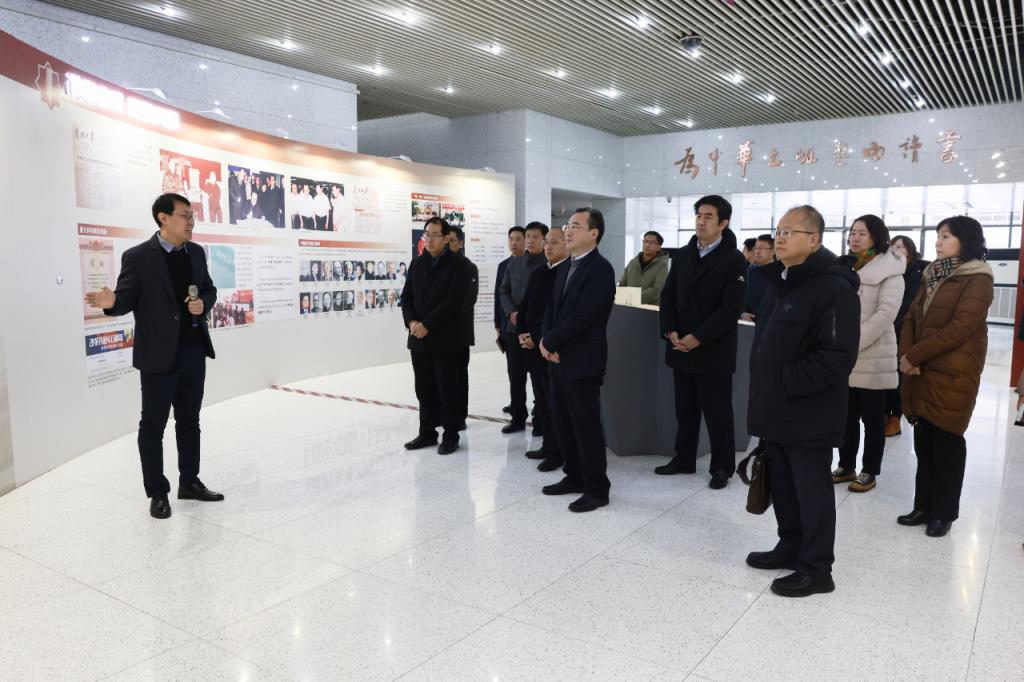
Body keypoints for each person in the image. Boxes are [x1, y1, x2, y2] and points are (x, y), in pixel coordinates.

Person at [83, 193, 224, 519]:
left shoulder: (196, 253)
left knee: (189, 421)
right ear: (163, 218)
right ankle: (157, 493)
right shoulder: (138, 257)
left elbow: (209, 290)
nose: (191, 221)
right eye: (185, 215)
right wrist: (111, 302)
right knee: (153, 426)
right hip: (159, 356)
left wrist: (203, 303)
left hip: (194, 351)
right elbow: (125, 300)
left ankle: (189, 481)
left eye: (192, 216)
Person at [745, 205, 860, 597]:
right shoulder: (781, 281)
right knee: (784, 486)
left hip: (809, 410)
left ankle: (816, 568)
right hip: (776, 408)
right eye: (778, 230)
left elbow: (837, 356)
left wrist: (787, 382)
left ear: (814, 240)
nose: (779, 238)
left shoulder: (834, 287)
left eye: (789, 232)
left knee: (811, 491)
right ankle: (790, 546)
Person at [898, 216, 993, 538]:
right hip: (921, 369)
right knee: (924, 443)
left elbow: (960, 328)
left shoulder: (978, 277)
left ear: (966, 240)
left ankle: (943, 513)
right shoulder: (932, 273)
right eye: (938, 236)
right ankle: (923, 506)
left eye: (946, 236)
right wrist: (907, 356)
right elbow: (911, 317)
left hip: (953, 371)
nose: (938, 242)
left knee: (948, 442)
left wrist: (914, 356)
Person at [656, 195, 747, 488]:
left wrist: (698, 337)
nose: (701, 221)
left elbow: (730, 308)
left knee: (718, 413)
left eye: (709, 216)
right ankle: (683, 459)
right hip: (680, 346)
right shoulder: (683, 254)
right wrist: (670, 330)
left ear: (723, 223)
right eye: (698, 215)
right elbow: (668, 295)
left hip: (713, 350)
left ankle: (722, 467)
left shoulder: (734, 259)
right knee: (685, 411)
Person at [539, 208, 616, 512]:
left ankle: (597, 489)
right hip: (557, 358)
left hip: (583, 360)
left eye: (575, 226)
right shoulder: (565, 267)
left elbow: (586, 315)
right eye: (567, 226)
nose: (568, 231)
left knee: (586, 426)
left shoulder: (601, 269)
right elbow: (551, 308)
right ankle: (573, 476)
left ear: (594, 233)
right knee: (563, 423)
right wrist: (546, 341)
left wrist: (550, 341)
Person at [832, 215, 904, 493]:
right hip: (845, 356)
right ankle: (846, 465)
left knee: (873, 421)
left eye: (862, 233)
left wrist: (852, 342)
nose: (855, 238)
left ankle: (869, 471)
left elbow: (885, 315)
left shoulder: (890, 270)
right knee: (845, 417)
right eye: (852, 232)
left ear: (876, 236)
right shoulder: (846, 267)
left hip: (873, 355)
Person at [401, 217, 475, 455]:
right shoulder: (417, 263)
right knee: (424, 388)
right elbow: (406, 297)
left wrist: (427, 324)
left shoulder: (459, 266)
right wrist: (412, 322)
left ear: (445, 238)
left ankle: (451, 435)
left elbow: (453, 302)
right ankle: (427, 432)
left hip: (445, 340)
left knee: (447, 388)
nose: (430, 239)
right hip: (418, 339)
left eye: (435, 235)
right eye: (427, 234)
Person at [518, 226, 567, 471]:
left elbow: (558, 316)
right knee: (542, 402)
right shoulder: (539, 272)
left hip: (552, 349)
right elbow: (526, 305)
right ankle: (548, 446)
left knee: (555, 404)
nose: (548, 246)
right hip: (533, 348)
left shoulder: (566, 273)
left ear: (567, 245)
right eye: (546, 242)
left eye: (554, 242)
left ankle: (559, 452)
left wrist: (539, 338)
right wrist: (522, 332)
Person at [499, 222, 549, 434]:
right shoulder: (515, 263)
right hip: (514, 330)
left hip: (538, 333)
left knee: (539, 379)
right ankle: (518, 418)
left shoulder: (549, 264)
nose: (530, 240)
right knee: (516, 377)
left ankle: (541, 420)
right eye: (528, 236)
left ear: (544, 240)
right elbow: (503, 290)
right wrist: (511, 312)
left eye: (535, 237)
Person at [885, 236, 930, 437]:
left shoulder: (916, 276)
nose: (894, 251)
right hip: (884, 330)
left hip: (903, 332)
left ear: (910, 253)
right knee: (884, 375)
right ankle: (884, 415)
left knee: (899, 377)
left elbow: (909, 309)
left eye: (900, 247)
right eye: (892, 247)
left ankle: (895, 418)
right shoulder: (886, 273)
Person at [449, 226, 478, 431]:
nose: (447, 244)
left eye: (452, 240)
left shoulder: (468, 267)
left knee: (458, 375)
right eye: (446, 240)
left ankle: (460, 415)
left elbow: (468, 300)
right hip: (439, 334)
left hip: (458, 332)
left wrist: (442, 319)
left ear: (460, 243)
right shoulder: (438, 266)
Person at [495, 226, 527, 414]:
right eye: (511, 239)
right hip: (508, 324)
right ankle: (516, 404)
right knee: (513, 370)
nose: (514, 243)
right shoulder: (503, 265)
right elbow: (498, 295)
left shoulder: (533, 264)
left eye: (518, 239)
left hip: (527, 324)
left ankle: (537, 406)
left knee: (531, 370)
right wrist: (497, 323)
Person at [619, 230, 670, 305]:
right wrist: (622, 298)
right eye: (645, 241)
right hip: (629, 306)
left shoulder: (662, 265)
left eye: (652, 243)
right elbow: (622, 284)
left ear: (658, 247)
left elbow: (657, 289)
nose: (647, 245)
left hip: (650, 308)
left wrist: (634, 298)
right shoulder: (633, 263)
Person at [741, 234, 775, 322]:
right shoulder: (750, 271)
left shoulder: (780, 273)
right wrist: (742, 313)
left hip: (769, 323)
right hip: (746, 322)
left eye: (762, 248)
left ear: (773, 251)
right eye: (756, 248)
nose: (757, 251)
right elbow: (740, 294)